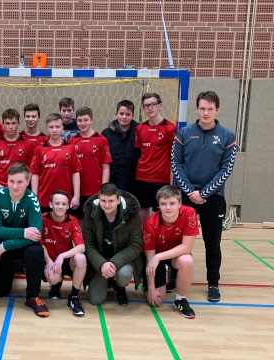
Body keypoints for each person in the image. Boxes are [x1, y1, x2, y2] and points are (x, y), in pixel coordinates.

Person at [171, 91, 237, 302]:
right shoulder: (183, 133)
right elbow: (176, 164)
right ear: (197, 109)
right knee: (177, 241)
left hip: (213, 197)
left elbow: (226, 169)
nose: (206, 112)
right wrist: (190, 191)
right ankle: (173, 277)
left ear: (217, 110)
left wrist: (204, 192)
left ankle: (213, 283)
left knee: (212, 242)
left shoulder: (227, 136)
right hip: (186, 195)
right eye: (202, 108)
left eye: (210, 108)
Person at [0, 163, 48, 317]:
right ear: (6, 180)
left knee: (36, 251)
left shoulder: (32, 200)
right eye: (11, 181)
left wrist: (6, 245)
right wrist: (23, 232)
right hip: (0, 243)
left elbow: (35, 235)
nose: (15, 186)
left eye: (20, 182)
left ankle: (33, 296)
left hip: (13, 245)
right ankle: (13, 266)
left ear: (27, 182)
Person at [82, 183, 143, 306]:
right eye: (103, 201)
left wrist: (114, 263)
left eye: (111, 201)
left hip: (121, 261)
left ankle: (119, 286)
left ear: (118, 200)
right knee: (96, 300)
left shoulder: (132, 216)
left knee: (124, 274)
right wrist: (102, 264)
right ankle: (108, 280)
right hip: (100, 260)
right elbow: (88, 246)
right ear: (98, 199)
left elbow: (135, 246)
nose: (107, 205)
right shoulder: (90, 216)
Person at [143, 185, 198, 319]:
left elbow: (187, 248)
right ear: (158, 205)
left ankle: (180, 299)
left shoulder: (189, 213)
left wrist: (159, 257)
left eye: (172, 203)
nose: (168, 208)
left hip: (175, 255)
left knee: (187, 261)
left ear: (180, 203)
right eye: (163, 204)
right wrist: (151, 289)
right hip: (156, 258)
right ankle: (155, 282)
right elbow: (150, 260)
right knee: (156, 300)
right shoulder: (150, 224)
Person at [41, 190, 86, 316]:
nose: (60, 207)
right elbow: (41, 244)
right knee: (54, 279)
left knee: (81, 258)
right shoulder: (43, 218)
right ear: (50, 204)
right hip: (49, 259)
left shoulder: (73, 220)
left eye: (63, 204)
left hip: (65, 260)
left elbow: (81, 247)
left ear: (68, 206)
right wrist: (49, 260)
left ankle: (74, 297)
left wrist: (62, 256)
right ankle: (56, 285)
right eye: (57, 203)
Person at [134, 93, 177, 222]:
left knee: (162, 211)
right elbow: (142, 150)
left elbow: (174, 154)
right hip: (141, 176)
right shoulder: (140, 128)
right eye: (146, 105)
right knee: (142, 209)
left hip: (160, 179)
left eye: (153, 104)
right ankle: (145, 238)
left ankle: (159, 239)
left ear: (160, 106)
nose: (150, 108)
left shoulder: (170, 129)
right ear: (143, 108)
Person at [30, 113, 82, 214]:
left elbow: (75, 172)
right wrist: (34, 196)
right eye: (51, 127)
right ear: (47, 129)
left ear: (62, 128)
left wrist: (76, 196)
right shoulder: (39, 149)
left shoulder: (70, 148)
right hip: (44, 199)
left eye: (57, 127)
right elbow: (35, 174)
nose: (54, 130)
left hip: (65, 200)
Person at [68, 107, 111, 227]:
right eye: (80, 120)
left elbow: (106, 167)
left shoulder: (101, 140)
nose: (82, 123)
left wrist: (103, 190)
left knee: (96, 221)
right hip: (77, 191)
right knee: (80, 221)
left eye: (85, 120)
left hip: (95, 190)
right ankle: (83, 246)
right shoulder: (72, 141)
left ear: (92, 120)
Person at [0, 108, 37, 189]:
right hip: (0, 188)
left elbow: (32, 170)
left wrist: (23, 185)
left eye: (13, 123)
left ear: (18, 123)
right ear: (3, 124)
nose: (11, 127)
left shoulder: (28, 144)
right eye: (7, 123)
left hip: (21, 188)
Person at [101, 100, 140, 193]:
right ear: (116, 114)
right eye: (121, 113)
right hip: (112, 180)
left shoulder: (139, 131)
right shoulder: (106, 133)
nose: (124, 117)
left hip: (133, 181)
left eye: (128, 114)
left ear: (133, 116)